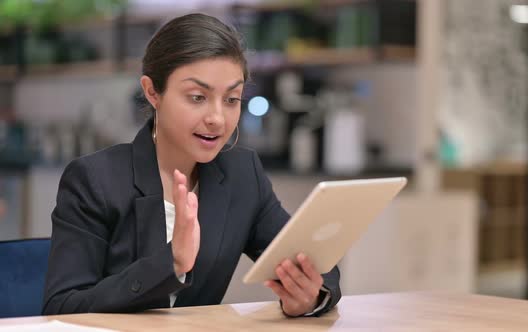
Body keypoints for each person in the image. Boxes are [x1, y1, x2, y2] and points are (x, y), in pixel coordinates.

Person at [43, 13, 340, 317]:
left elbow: (315, 264)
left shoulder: (242, 174)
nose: (217, 118)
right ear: (152, 92)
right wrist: (170, 263)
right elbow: (62, 307)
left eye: (232, 99)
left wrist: (308, 297)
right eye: (197, 97)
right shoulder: (95, 180)